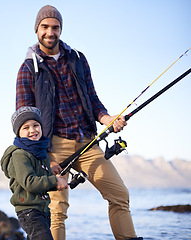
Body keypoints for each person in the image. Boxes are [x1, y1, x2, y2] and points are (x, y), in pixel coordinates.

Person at [15, 5, 143, 240]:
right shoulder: (28, 69)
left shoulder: (77, 59)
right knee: (56, 211)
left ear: (61, 30)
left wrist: (107, 119)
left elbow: (92, 99)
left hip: (87, 142)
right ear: (36, 29)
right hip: (52, 147)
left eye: (55, 27)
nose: (50, 32)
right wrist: (40, 155)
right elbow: (24, 118)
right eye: (45, 27)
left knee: (119, 195)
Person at [1, 106, 68, 240]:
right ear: (18, 132)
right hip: (29, 211)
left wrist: (55, 180)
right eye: (26, 127)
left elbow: (43, 181)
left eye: (36, 125)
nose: (32, 130)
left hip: (43, 209)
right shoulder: (19, 154)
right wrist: (54, 181)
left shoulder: (40, 153)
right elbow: (29, 182)